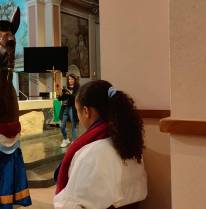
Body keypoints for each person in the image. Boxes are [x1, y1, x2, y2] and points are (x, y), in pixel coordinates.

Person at [54, 80, 147, 209]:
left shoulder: (92, 152)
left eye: (77, 111)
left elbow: (72, 204)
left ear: (86, 111)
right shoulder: (129, 141)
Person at [57, 74, 80, 148]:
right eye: (69, 79)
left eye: (72, 79)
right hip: (65, 108)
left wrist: (70, 94)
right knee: (62, 126)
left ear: (75, 80)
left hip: (72, 108)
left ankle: (74, 142)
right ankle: (65, 139)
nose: (70, 81)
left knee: (74, 125)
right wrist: (60, 95)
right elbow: (61, 98)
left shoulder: (77, 88)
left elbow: (76, 97)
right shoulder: (66, 88)